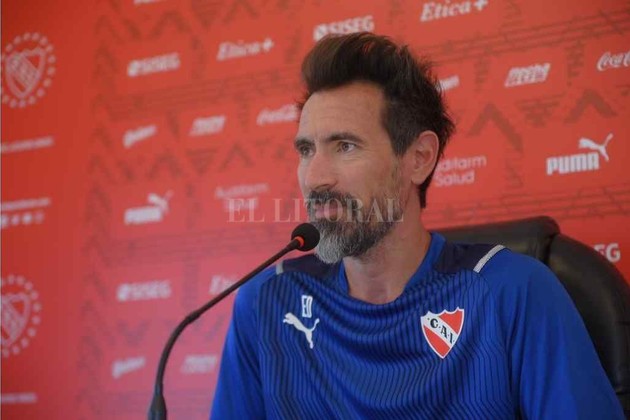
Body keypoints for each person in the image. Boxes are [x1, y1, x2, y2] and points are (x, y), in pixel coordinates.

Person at [211, 32, 623, 419]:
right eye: (306, 150)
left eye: (345, 146)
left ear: (419, 158)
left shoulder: (511, 292)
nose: (315, 177)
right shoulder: (267, 302)